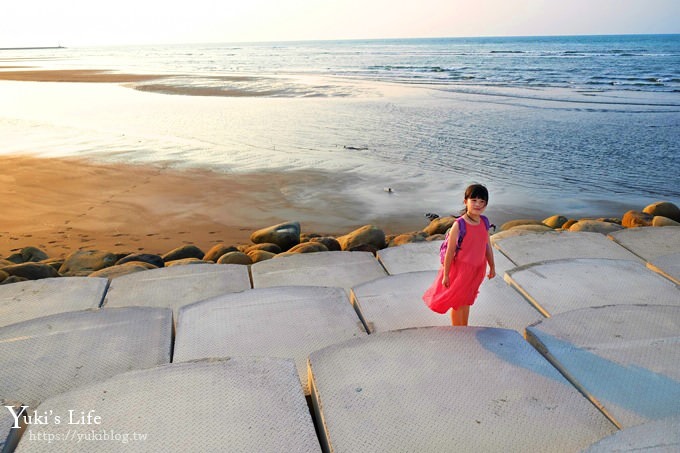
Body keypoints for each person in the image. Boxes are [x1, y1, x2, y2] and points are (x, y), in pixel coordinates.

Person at [422, 184, 496, 326]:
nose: (478, 204)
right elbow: (450, 251)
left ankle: (464, 327)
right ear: (465, 201)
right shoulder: (460, 224)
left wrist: (492, 266)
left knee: (467, 300)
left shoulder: (484, 222)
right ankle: (458, 331)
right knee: (458, 302)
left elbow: (487, 246)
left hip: (477, 269)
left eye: (482, 202)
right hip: (460, 270)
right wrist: (446, 274)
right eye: (474, 200)